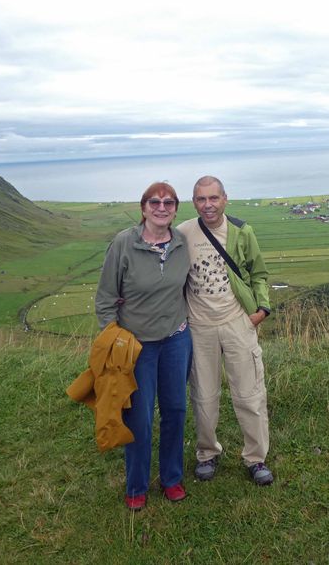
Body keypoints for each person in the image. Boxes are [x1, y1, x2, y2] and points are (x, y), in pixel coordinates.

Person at [94, 182, 192, 511]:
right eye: (155, 201)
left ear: (176, 209)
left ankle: (171, 478)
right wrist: (113, 338)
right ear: (143, 207)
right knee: (139, 416)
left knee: (176, 411)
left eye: (168, 202)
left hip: (177, 339)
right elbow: (106, 297)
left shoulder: (181, 242)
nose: (161, 207)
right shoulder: (124, 243)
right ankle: (136, 485)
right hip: (137, 348)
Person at [177, 175, 274, 486]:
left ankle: (256, 459)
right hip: (198, 327)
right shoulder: (183, 233)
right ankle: (207, 453)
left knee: (250, 394)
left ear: (225, 199)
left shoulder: (242, 231)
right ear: (194, 202)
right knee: (204, 397)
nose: (208, 205)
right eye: (201, 199)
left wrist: (261, 311)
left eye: (213, 198)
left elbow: (258, 272)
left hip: (237, 323)